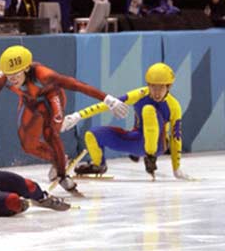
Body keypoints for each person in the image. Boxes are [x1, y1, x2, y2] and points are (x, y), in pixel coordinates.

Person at [0, 45, 128, 193]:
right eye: (9, 75)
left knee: (50, 134)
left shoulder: (44, 75)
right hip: (30, 102)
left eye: (16, 75)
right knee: (28, 145)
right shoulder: (1, 76)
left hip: (51, 99)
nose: (12, 79)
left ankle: (62, 176)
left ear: (26, 68)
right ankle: (59, 159)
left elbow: (77, 85)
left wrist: (108, 99)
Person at [62, 63, 190, 180]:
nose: (156, 92)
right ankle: (98, 165)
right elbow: (108, 104)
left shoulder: (174, 106)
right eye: (152, 86)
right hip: (137, 141)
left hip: (158, 145)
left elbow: (176, 138)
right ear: (148, 85)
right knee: (92, 134)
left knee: (148, 110)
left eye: (160, 87)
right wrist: (78, 115)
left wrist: (176, 168)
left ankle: (150, 156)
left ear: (169, 86)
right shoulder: (140, 94)